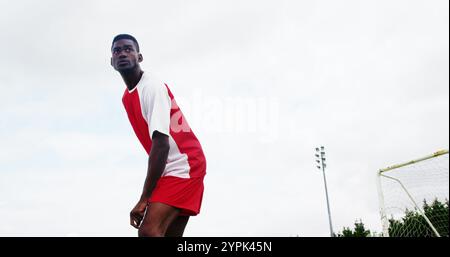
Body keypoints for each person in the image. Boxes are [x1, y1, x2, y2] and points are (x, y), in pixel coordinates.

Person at [111, 34, 207, 237]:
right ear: (112, 62)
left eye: (128, 49)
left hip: (184, 165)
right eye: (117, 51)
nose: (122, 53)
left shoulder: (151, 87)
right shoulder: (127, 97)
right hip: (170, 169)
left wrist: (144, 197)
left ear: (140, 56)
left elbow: (161, 144)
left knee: (148, 232)